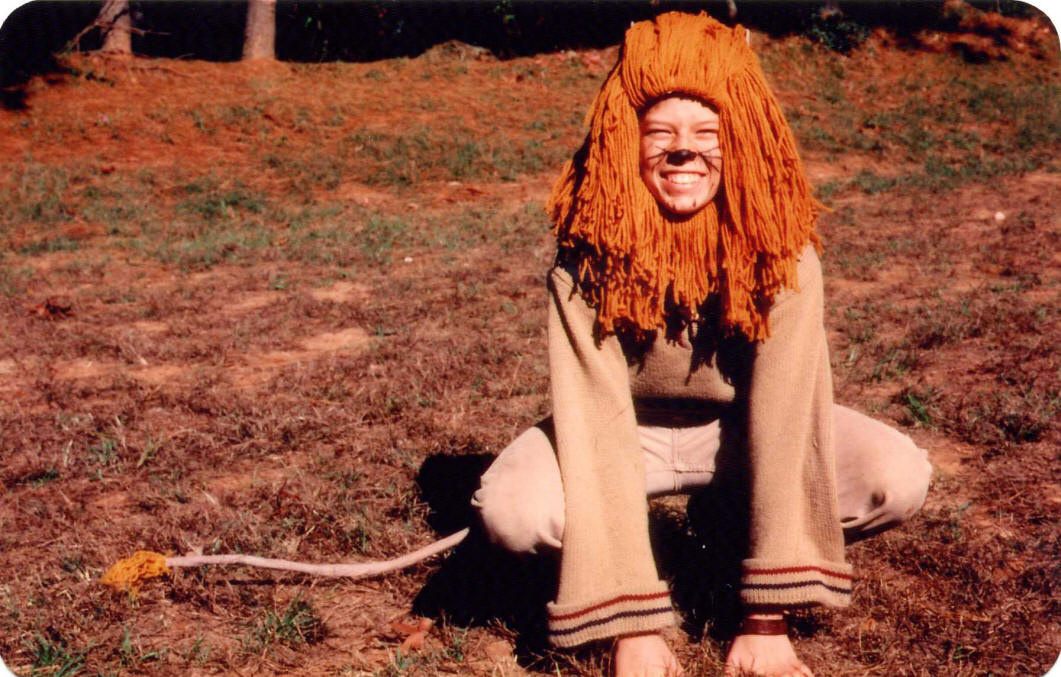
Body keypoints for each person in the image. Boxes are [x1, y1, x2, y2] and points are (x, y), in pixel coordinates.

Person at [471, 12, 932, 677]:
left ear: (740, 141)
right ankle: (618, 571)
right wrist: (632, 627)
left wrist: (765, 618)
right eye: (659, 133)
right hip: (625, 431)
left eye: (707, 134)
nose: (682, 152)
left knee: (896, 478)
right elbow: (594, 420)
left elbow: (784, 414)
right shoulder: (584, 263)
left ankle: (730, 528)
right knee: (514, 512)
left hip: (743, 431)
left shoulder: (785, 256)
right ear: (623, 141)